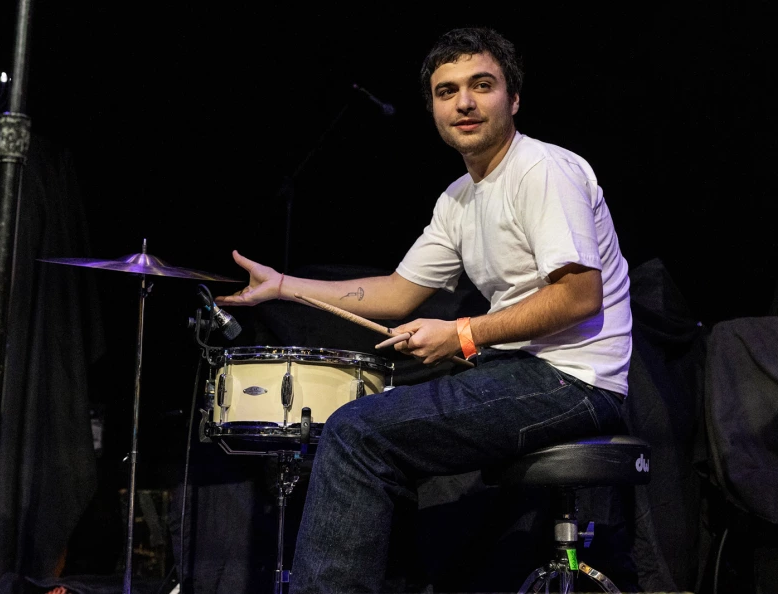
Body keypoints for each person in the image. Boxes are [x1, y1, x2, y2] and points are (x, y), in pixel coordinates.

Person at [217, 26, 632, 593]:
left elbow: (580, 295)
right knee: (376, 426)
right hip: (521, 371)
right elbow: (397, 293)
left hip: (574, 382)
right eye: (446, 91)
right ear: (434, 109)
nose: (464, 103)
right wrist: (284, 286)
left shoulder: (542, 170)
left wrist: (463, 333)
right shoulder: (459, 198)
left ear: (513, 99)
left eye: (481, 86)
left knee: (357, 431)